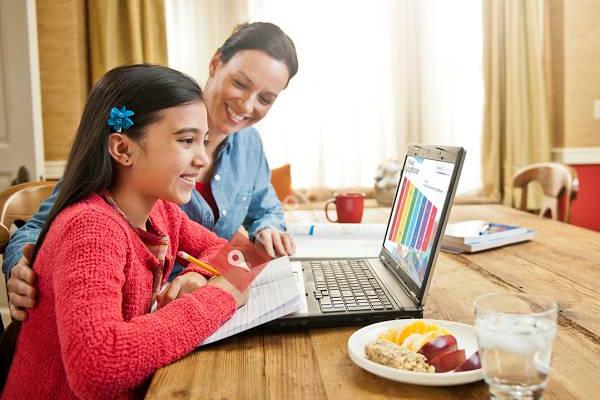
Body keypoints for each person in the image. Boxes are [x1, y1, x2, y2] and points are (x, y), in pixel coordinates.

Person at [3, 22, 298, 321]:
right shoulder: (145, 138)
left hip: (202, 306)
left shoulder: (249, 145)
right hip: (145, 314)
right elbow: (42, 228)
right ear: (215, 63)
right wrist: (19, 266)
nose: (247, 104)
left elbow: (264, 212)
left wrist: (266, 229)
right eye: (241, 83)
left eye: (265, 99)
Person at [1, 64, 248, 399]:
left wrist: (196, 277)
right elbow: (99, 366)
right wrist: (222, 296)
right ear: (122, 149)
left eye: (203, 141)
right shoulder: (91, 229)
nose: (203, 158)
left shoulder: (160, 212)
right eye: (187, 140)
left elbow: (238, 253)